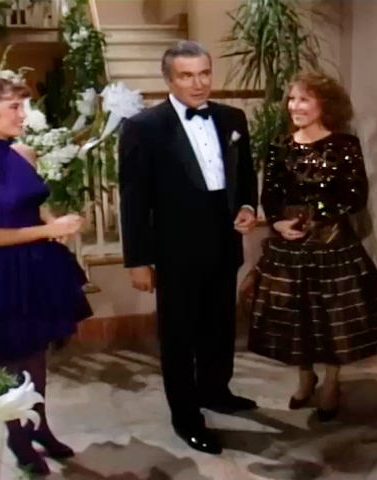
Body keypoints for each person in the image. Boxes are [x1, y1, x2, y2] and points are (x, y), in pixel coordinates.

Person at [118, 40, 258, 455]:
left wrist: (247, 206)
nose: (198, 84)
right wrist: (138, 260)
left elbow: (245, 173)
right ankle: (186, 416)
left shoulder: (232, 118)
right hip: (175, 248)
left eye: (204, 74)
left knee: (220, 325)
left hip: (224, 240)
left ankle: (216, 390)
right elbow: (133, 200)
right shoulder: (143, 127)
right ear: (169, 79)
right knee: (179, 336)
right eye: (186, 76)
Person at [0, 66, 92, 475]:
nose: (23, 115)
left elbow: (32, 204)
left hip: (36, 266)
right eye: (14, 107)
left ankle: (39, 427)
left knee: (36, 356)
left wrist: (56, 222)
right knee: (10, 363)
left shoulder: (24, 152)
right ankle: (17, 437)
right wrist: (47, 230)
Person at [247, 71, 377, 421]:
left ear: (324, 104)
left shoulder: (345, 144)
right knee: (296, 316)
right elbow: (270, 195)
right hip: (290, 245)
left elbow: (356, 195)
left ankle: (331, 381)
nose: (294, 106)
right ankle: (305, 377)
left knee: (332, 317)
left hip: (332, 243)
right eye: (292, 99)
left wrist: (318, 216)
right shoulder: (279, 145)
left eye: (304, 99)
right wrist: (278, 222)